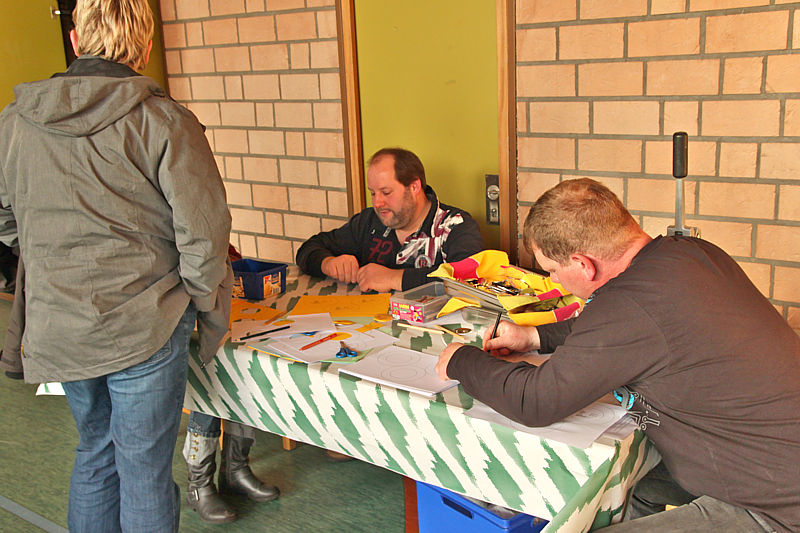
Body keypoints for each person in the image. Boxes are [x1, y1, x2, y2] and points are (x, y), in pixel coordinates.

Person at [436, 178, 800, 532]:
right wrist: (533, 336)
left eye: (552, 270)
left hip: (772, 505)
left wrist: (461, 360)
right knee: (630, 483)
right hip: (766, 460)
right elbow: (619, 327)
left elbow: (536, 401)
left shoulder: (628, 305)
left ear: (583, 264)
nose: (555, 281)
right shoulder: (690, 253)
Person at [0, 1, 232, 531]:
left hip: (61, 323)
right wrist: (201, 302)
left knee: (95, 452)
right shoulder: (164, 120)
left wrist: (42, 256)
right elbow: (204, 233)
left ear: (76, 39)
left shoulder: (14, 121)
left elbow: (5, 216)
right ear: (144, 48)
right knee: (143, 471)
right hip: (144, 323)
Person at [296, 147, 484, 293]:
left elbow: (470, 279)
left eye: (386, 192)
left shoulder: (456, 225)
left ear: (414, 187)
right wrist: (328, 263)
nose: (377, 203)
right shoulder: (369, 221)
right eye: (373, 193)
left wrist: (394, 278)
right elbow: (308, 249)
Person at [183, 244, 278, 524]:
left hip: (219, 304)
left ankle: (235, 470)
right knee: (207, 390)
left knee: (239, 373)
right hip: (182, 307)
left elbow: (225, 251)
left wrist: (227, 261)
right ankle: (199, 485)